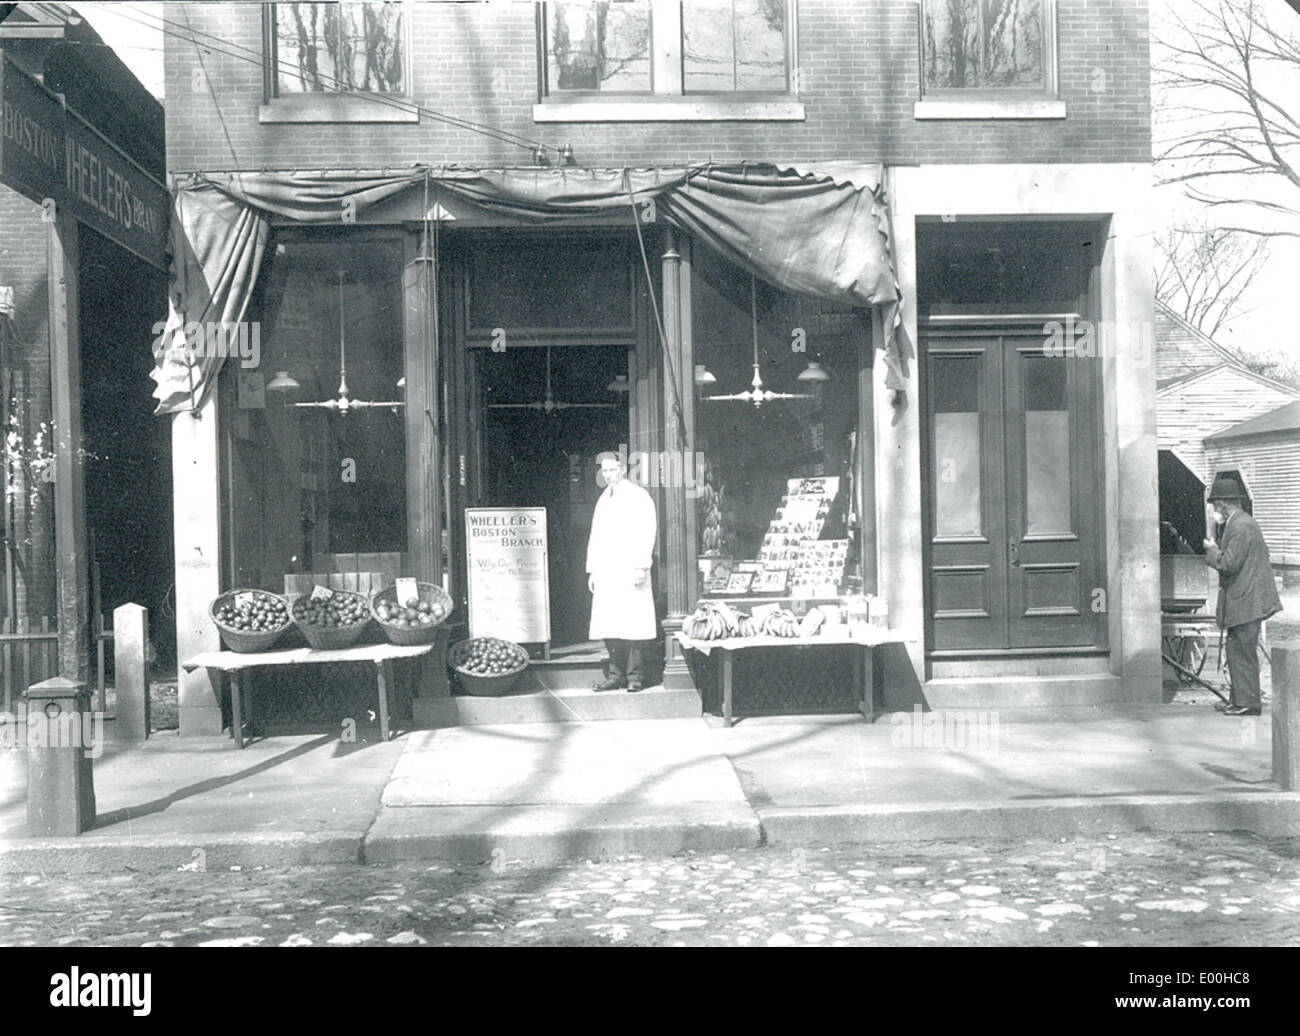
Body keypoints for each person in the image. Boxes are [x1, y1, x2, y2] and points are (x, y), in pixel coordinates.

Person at [1203, 475, 1282, 716]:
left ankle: (1248, 703)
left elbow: (1229, 564)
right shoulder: (1241, 523)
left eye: (1216, 506)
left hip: (1248, 600)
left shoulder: (1240, 526)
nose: (1215, 511)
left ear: (1224, 504)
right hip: (1245, 598)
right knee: (1236, 650)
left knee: (1243, 651)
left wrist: (1212, 549)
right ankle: (1238, 699)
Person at [587, 451, 657, 692]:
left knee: (633, 624)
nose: (608, 475)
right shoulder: (603, 499)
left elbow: (648, 531)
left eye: (612, 470)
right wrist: (593, 571)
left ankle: (635, 677)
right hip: (608, 570)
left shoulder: (638, 496)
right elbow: (595, 537)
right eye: (604, 471)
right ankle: (615, 674)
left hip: (630, 568)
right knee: (610, 623)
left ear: (623, 470)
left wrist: (641, 565)